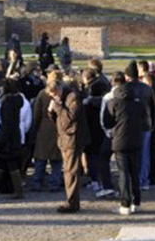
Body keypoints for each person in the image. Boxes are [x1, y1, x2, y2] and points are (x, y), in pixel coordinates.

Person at [106, 61, 151, 215]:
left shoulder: (114, 103)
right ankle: (137, 202)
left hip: (119, 140)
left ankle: (125, 204)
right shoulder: (138, 103)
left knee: (124, 173)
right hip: (136, 138)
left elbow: (108, 121)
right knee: (134, 171)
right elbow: (146, 117)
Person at [48, 76, 90, 213]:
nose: (54, 97)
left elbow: (71, 118)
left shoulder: (73, 97)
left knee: (71, 170)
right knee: (68, 170)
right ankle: (71, 201)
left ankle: (72, 203)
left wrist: (58, 106)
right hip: (64, 138)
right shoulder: (61, 99)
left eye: (55, 94)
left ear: (60, 90)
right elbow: (57, 119)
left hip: (73, 138)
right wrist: (51, 110)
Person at [0, 79, 32, 199]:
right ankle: (15, 189)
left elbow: (3, 122)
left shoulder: (6, 102)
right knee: (10, 164)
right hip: (15, 136)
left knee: (0, 163)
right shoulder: (19, 100)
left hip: (6, 136)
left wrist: (0, 138)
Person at [31, 71, 63, 193]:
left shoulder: (41, 95)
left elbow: (37, 114)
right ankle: (54, 183)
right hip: (57, 127)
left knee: (41, 158)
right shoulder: (61, 95)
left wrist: (35, 130)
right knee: (56, 159)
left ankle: (37, 182)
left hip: (43, 128)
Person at [96, 71, 125, 198]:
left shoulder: (108, 97)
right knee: (123, 163)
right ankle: (123, 188)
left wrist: (107, 131)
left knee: (104, 158)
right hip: (124, 132)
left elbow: (103, 116)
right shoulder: (129, 94)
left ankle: (107, 186)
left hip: (111, 133)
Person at [81, 67, 107, 194]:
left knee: (92, 156)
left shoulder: (89, 101)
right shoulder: (103, 95)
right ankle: (99, 179)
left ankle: (95, 180)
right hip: (100, 129)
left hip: (91, 129)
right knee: (98, 155)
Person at [135, 60, 155, 191]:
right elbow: (153, 109)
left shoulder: (141, 90)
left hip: (142, 125)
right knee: (145, 154)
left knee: (141, 154)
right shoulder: (148, 90)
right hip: (147, 125)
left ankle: (141, 179)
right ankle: (144, 179)